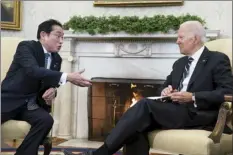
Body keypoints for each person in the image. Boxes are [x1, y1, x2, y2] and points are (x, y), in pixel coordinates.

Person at [63, 20, 233, 155]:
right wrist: (166, 91)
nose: (177, 41)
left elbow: (228, 92)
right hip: (176, 111)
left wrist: (193, 96)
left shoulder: (217, 59)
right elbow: (166, 85)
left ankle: (101, 153)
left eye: (180, 37)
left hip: (199, 114)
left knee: (143, 105)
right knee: (136, 128)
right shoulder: (180, 63)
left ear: (194, 39)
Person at [1, 19, 92, 155]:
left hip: (30, 105)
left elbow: (51, 84)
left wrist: (53, 91)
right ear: (44, 35)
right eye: (58, 35)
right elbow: (33, 71)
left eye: (63, 37)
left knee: (46, 120)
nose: (61, 41)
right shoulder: (26, 47)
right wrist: (68, 76)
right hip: (9, 101)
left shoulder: (57, 59)